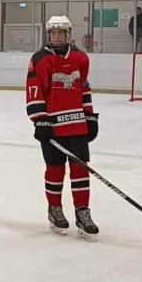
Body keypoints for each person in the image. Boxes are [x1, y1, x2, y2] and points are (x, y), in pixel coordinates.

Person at [26, 15, 99, 240]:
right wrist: (40, 119)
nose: (57, 36)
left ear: (69, 35)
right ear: (48, 35)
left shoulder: (80, 58)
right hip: (53, 126)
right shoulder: (40, 59)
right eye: (53, 33)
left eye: (61, 33)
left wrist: (90, 117)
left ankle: (82, 212)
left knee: (80, 170)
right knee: (55, 169)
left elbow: (83, 88)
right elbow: (34, 90)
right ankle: (54, 209)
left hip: (76, 124)